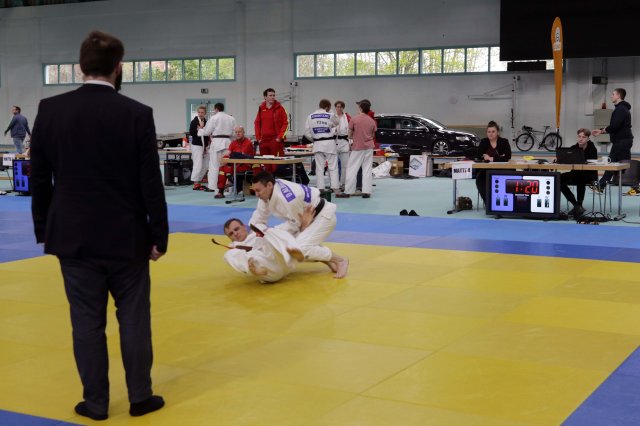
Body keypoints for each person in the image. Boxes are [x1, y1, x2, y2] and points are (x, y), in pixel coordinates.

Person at [29, 30, 167, 421]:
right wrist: (159, 235)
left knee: (86, 322)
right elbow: (150, 182)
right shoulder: (137, 114)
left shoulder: (51, 110)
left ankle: (95, 403)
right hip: (127, 237)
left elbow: (39, 178)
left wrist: (44, 228)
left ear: (80, 67)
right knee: (134, 320)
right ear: (118, 68)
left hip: (73, 237)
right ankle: (140, 397)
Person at [249, 171, 349, 278]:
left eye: (258, 190)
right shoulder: (268, 193)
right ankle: (329, 261)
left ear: (269, 185)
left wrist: (273, 233)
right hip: (303, 220)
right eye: (255, 191)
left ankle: (340, 260)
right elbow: (258, 220)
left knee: (298, 249)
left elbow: (299, 225)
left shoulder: (288, 199)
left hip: (323, 217)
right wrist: (249, 240)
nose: (256, 194)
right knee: (284, 244)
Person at [222, 217, 307, 283]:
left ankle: (293, 252)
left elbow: (285, 230)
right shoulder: (234, 248)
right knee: (228, 255)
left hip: (280, 259)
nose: (235, 233)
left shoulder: (256, 231)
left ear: (244, 227)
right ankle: (252, 268)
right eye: (231, 234)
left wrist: (301, 224)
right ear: (229, 237)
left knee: (270, 232)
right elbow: (237, 260)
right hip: (267, 270)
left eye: (236, 229)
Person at [592, 88, 634, 192]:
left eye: (613, 94)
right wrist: (602, 130)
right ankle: (601, 186)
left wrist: (601, 131)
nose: (611, 96)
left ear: (619, 96)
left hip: (622, 141)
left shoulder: (621, 109)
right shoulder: (621, 108)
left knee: (625, 166)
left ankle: (636, 187)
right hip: (621, 141)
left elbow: (615, 126)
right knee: (612, 164)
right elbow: (615, 126)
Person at [336, 100, 377, 199]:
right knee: (367, 169)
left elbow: (349, 135)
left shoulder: (354, 119)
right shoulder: (372, 121)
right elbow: (373, 135)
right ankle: (366, 191)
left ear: (361, 108)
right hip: (369, 147)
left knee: (351, 168)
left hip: (358, 147)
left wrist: (356, 136)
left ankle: (348, 191)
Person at [304, 98, 342, 194]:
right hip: (329, 143)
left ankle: (320, 188)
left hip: (317, 144)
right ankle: (335, 188)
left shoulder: (310, 116)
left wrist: (315, 139)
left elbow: (307, 133)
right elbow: (337, 122)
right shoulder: (330, 115)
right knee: (333, 166)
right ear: (328, 107)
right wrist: (331, 112)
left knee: (319, 168)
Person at [199, 102, 236, 197]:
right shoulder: (231, 118)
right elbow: (234, 132)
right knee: (226, 165)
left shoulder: (214, 118)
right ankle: (226, 186)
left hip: (217, 142)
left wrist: (200, 129)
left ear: (216, 109)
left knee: (214, 165)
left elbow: (207, 132)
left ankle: (213, 186)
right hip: (227, 142)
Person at [559, 129, 598, 217]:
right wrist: (559, 160)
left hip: (589, 174)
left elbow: (593, 163)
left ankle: (579, 204)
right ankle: (576, 205)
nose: (581, 139)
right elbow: (565, 158)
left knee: (580, 177)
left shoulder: (592, 149)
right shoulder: (573, 148)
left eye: (583, 137)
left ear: (588, 139)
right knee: (558, 178)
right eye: (579, 136)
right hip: (575, 173)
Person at [475, 120, 512, 203]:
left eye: (493, 131)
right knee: (480, 181)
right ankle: (488, 203)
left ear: (498, 132)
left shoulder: (504, 142)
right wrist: (500, 157)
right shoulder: (483, 142)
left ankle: (502, 202)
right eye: (489, 132)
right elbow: (479, 156)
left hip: (502, 170)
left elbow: (507, 157)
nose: (490, 134)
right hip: (485, 171)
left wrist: (491, 158)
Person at [217, 126, 259, 197]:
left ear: (243, 133)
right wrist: (224, 159)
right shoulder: (233, 143)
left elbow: (248, 156)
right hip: (235, 166)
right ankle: (220, 191)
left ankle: (233, 182)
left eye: (239, 132)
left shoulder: (248, 143)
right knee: (222, 168)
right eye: (236, 132)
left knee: (256, 165)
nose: (237, 134)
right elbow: (228, 153)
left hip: (245, 166)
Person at [254, 88, 288, 172]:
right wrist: (258, 138)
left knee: (276, 165)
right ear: (265, 97)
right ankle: (267, 180)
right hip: (263, 141)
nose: (272, 97)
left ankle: (276, 179)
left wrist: (279, 137)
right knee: (265, 165)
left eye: (273, 95)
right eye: (270, 95)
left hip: (275, 141)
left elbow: (286, 123)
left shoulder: (280, 108)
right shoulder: (261, 108)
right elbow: (257, 123)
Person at [189, 105, 210, 191]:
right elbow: (191, 133)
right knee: (198, 164)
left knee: (206, 165)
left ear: (205, 113)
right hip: (196, 145)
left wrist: (206, 146)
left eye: (202, 112)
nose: (200, 114)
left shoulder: (206, 121)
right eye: (199, 112)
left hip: (204, 146)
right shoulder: (194, 121)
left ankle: (198, 180)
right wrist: (200, 128)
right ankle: (195, 183)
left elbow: (206, 135)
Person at [334, 100, 351, 189]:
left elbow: (351, 130)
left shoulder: (347, 117)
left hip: (344, 141)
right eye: (337, 106)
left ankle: (343, 183)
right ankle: (334, 184)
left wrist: (351, 143)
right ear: (335, 108)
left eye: (340, 107)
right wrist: (334, 130)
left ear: (343, 108)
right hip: (334, 142)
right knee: (334, 165)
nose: (339, 108)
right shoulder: (332, 117)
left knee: (345, 165)